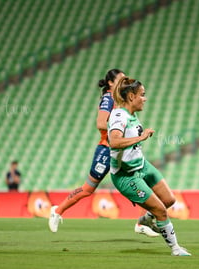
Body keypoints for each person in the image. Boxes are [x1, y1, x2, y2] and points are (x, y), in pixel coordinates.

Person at [48, 69, 158, 237]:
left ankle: (140, 223)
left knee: (140, 179)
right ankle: (57, 211)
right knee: (88, 189)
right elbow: (100, 123)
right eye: (121, 79)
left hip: (123, 149)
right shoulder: (108, 99)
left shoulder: (122, 99)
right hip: (108, 149)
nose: (124, 82)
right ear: (110, 84)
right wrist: (118, 129)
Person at [107, 76, 191, 256]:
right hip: (126, 175)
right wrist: (141, 137)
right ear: (131, 96)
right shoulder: (119, 116)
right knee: (160, 210)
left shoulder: (132, 115)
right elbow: (113, 142)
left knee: (169, 200)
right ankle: (176, 249)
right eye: (142, 95)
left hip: (142, 165)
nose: (144, 98)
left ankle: (144, 221)